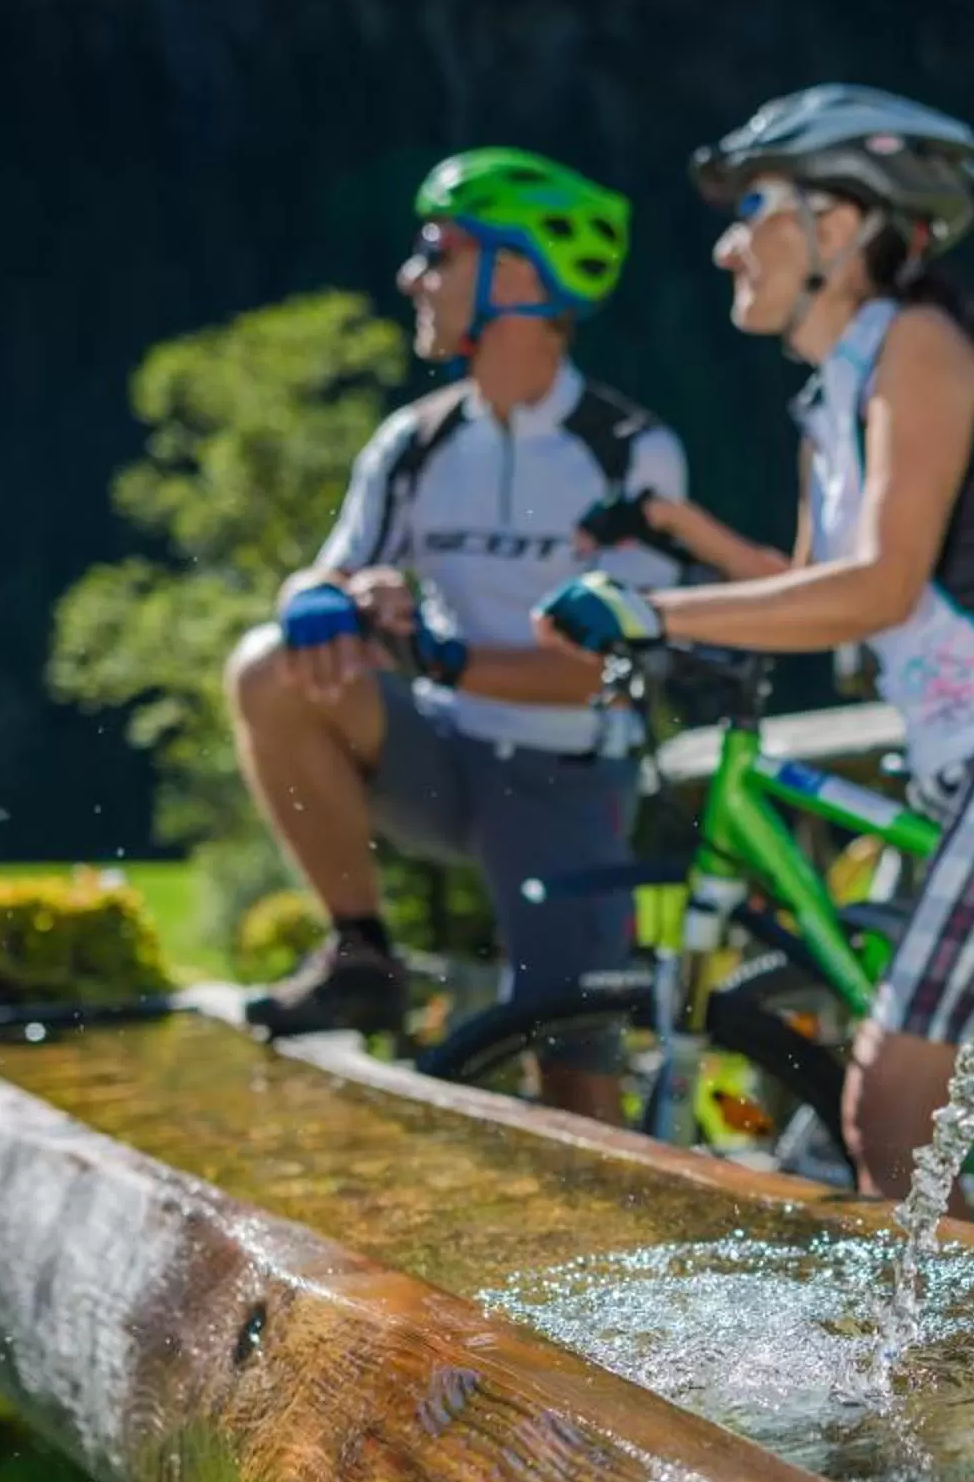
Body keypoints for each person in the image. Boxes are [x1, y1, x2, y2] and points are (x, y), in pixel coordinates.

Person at [534, 86, 974, 1201]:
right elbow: (811, 584)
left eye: (752, 206)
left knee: (890, 1099)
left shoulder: (920, 343)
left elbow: (880, 588)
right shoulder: (829, 398)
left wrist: (660, 613)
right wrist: (673, 533)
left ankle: (942, 1372)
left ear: (839, 226)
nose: (724, 245)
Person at [227, 147, 687, 1120]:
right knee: (269, 668)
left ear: (519, 275)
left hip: (568, 777)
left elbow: (606, 669)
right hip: (436, 755)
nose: (412, 276)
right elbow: (325, 569)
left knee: (572, 1079)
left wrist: (437, 652)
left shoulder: (628, 451)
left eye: (438, 251)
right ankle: (361, 951)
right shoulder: (414, 442)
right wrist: (329, 601)